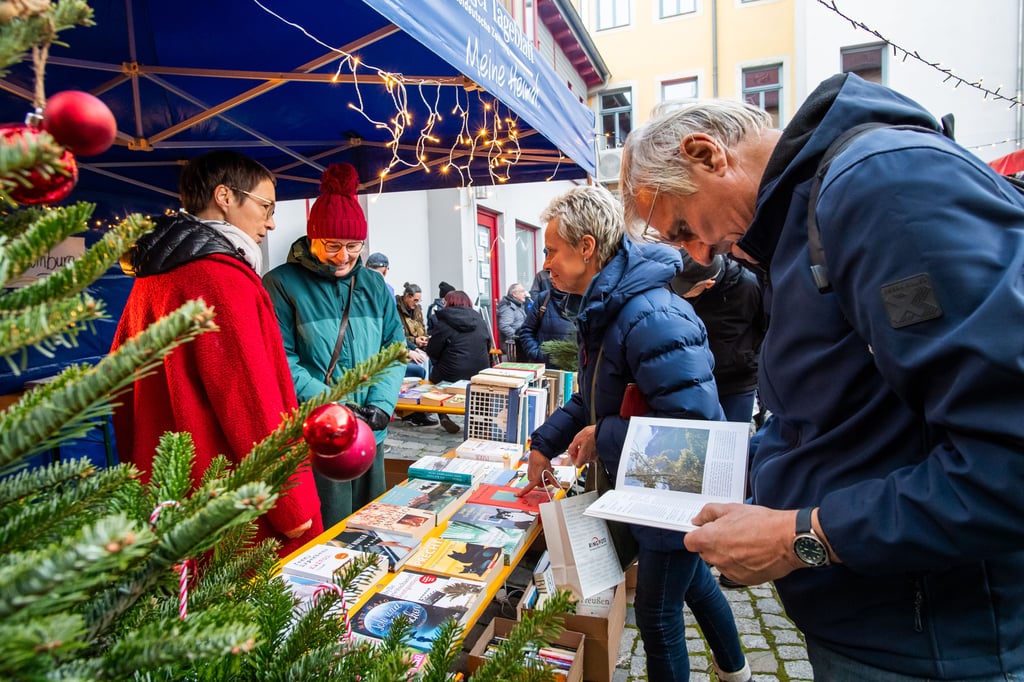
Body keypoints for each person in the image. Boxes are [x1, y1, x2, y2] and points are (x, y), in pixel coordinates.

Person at [618, 73, 1024, 680]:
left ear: (707, 154)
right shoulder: (802, 222)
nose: (696, 253)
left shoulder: (879, 189)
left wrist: (796, 537)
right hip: (886, 625)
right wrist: (753, 467)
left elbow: (1006, 458)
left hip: (935, 641)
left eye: (681, 226)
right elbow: (847, 411)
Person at [521, 185, 750, 682]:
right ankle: (737, 671)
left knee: (658, 614)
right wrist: (546, 441)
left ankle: (736, 671)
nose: (547, 265)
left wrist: (602, 436)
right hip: (647, 491)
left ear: (587, 248)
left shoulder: (649, 315)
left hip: (670, 495)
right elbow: (593, 396)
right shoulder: (610, 308)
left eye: (552, 250)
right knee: (694, 586)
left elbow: (692, 430)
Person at [111, 150, 322, 557]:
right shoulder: (221, 278)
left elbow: (120, 388)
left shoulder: (149, 279)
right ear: (225, 196)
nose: (271, 222)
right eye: (265, 206)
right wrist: (291, 506)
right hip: (232, 507)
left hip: (166, 498)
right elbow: (251, 401)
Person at [263, 162, 405, 529]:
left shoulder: (374, 286)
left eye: (353, 246)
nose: (343, 256)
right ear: (313, 239)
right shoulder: (281, 284)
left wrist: (381, 405)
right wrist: (336, 406)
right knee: (328, 527)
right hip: (320, 429)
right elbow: (281, 359)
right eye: (333, 245)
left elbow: (395, 347)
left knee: (371, 524)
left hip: (371, 429)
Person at [670, 251, 764, 425]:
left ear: (708, 284)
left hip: (737, 381)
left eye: (687, 289)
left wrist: (749, 358)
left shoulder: (749, 285)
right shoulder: (679, 275)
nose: (680, 293)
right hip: (693, 378)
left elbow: (767, 327)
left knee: (732, 442)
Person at [425, 289, 492, 433]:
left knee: (434, 374)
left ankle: (443, 415)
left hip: (451, 373)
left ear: (448, 303)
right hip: (480, 372)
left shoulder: (443, 322)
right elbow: (488, 346)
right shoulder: (480, 320)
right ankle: (479, 420)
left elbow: (432, 350)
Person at [395, 282, 437, 425]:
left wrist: (424, 339)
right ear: (407, 296)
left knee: (431, 363)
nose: (417, 303)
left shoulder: (417, 309)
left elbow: (422, 328)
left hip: (415, 347)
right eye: (415, 300)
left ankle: (424, 403)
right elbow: (398, 335)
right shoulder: (396, 309)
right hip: (403, 350)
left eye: (418, 300)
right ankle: (415, 409)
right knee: (421, 365)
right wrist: (414, 342)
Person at [514, 283, 580, 366]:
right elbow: (526, 331)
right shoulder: (544, 298)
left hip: (576, 369)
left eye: (556, 273)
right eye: (550, 273)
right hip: (546, 368)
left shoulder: (586, 299)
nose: (551, 276)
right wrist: (538, 354)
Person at [496, 282, 528, 354]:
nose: (525, 294)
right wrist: (518, 337)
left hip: (519, 343)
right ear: (514, 294)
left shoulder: (518, 305)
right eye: (522, 291)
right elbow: (504, 326)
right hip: (512, 345)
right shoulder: (508, 307)